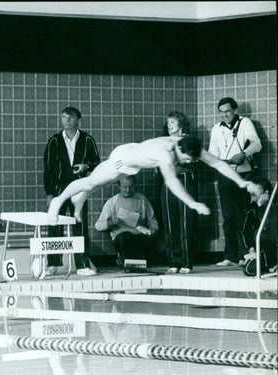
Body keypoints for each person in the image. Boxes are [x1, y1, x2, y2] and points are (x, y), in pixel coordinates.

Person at [47, 136, 256, 226]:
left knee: (94, 185)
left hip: (135, 160)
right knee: (90, 182)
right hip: (122, 159)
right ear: (180, 150)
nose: (188, 162)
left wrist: (242, 182)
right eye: (187, 159)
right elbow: (172, 183)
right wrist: (192, 203)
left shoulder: (189, 145)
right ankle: (60, 199)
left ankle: (79, 199)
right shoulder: (165, 154)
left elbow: (218, 163)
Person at [43, 106, 100, 277]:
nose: (66, 120)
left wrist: (86, 166)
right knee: (54, 224)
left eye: (70, 117)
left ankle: (82, 264)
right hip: (59, 189)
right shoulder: (54, 141)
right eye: (63, 117)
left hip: (80, 187)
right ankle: (52, 264)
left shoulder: (87, 139)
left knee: (80, 224)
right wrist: (49, 193)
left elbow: (97, 163)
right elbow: (47, 168)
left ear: (78, 120)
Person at [208, 97, 262, 267]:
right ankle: (230, 256)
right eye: (221, 113)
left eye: (228, 112)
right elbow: (212, 152)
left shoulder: (245, 123)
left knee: (244, 216)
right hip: (225, 175)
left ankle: (245, 254)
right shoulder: (216, 129)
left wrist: (244, 154)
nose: (225, 115)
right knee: (228, 216)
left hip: (245, 174)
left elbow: (257, 144)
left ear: (235, 110)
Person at [158, 111, 199, 274]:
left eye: (172, 123)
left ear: (181, 124)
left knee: (185, 222)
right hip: (168, 184)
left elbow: (194, 164)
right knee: (169, 222)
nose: (169, 126)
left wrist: (176, 167)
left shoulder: (190, 141)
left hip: (185, 182)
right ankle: (173, 261)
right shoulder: (164, 142)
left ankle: (187, 262)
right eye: (168, 123)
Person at [94, 175, 159, 272]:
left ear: (135, 186)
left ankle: (136, 264)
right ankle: (125, 262)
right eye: (125, 187)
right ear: (119, 186)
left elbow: (151, 219)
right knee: (126, 238)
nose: (128, 190)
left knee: (141, 244)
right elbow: (98, 225)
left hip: (139, 234)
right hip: (122, 237)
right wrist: (112, 222)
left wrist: (153, 229)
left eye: (131, 187)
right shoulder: (112, 202)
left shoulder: (142, 199)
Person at [240, 176, 276, 276]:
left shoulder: (274, 207)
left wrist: (262, 207)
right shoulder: (250, 209)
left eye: (256, 189)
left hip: (273, 246)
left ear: (266, 192)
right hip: (262, 249)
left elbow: (267, 228)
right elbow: (243, 230)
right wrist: (249, 250)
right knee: (249, 269)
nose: (252, 192)